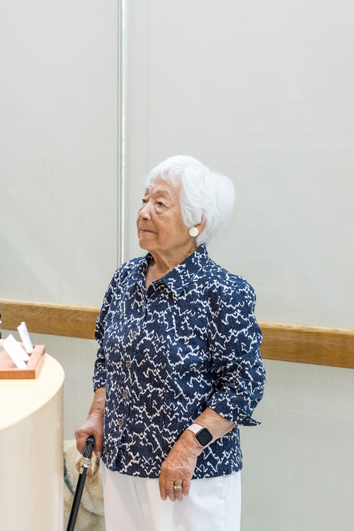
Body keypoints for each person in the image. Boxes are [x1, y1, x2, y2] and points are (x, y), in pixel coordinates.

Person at [75, 156, 265, 531]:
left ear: (198, 223)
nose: (144, 212)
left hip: (190, 478)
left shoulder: (224, 293)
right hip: (123, 464)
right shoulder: (125, 278)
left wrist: (187, 448)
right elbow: (107, 359)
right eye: (144, 200)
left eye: (160, 203)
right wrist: (98, 413)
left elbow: (244, 388)